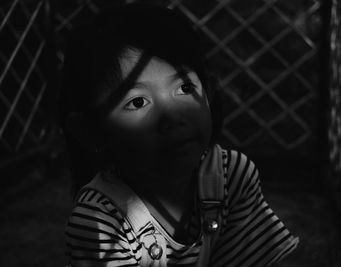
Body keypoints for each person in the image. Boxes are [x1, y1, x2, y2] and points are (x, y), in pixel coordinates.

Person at [60, 3, 298, 267]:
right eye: (138, 102)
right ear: (91, 132)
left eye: (184, 87)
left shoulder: (231, 177)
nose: (172, 115)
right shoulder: (100, 220)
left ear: (208, 90)